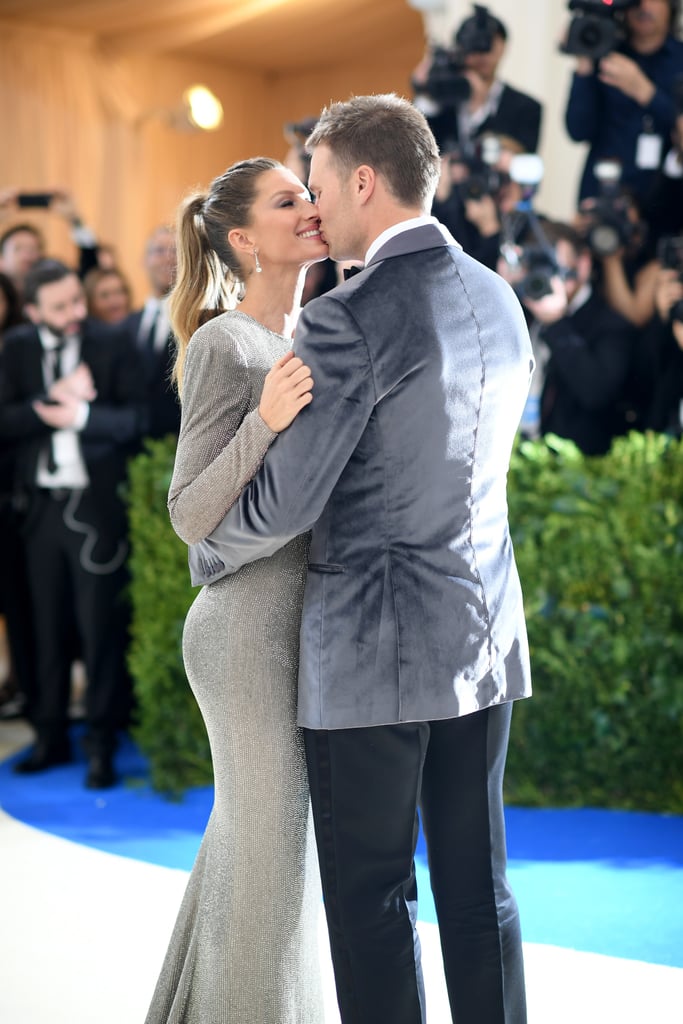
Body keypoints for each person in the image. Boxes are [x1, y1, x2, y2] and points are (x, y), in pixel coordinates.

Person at [188, 94, 533, 1024]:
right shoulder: (498, 294)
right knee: (479, 892)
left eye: (321, 184)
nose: (316, 207)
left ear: (364, 181)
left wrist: (209, 546)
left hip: (370, 657)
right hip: (485, 635)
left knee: (373, 903)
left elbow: (287, 501)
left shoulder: (350, 317)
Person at [143, 158, 327, 1023]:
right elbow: (188, 512)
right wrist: (268, 420)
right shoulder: (227, 342)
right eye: (289, 200)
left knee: (251, 854)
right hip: (244, 629)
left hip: (293, 624)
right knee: (270, 859)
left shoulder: (307, 334)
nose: (311, 206)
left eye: (309, 193)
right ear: (246, 239)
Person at [0, 259, 147, 788]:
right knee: (44, 630)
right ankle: (49, 737)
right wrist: (51, 403)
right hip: (39, 514)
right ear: (34, 309)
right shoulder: (15, 349)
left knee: (99, 629)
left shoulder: (110, 343)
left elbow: (139, 421)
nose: (75, 314)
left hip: (96, 511)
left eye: (76, 302)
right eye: (60, 307)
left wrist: (82, 416)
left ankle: (101, 746)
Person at [500, 219, 636, 454]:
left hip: (572, 469)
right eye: (536, 264)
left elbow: (597, 394)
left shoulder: (611, 326)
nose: (544, 275)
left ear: (582, 265)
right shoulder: (520, 306)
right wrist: (501, 289)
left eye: (551, 264)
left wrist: (556, 323)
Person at [564, 0, 683, 211]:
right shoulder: (604, 52)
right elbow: (578, 130)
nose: (644, 6)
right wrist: (584, 59)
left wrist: (646, 92)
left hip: (665, 200)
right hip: (602, 194)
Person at [412, 5, 542, 158]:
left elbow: (523, 165)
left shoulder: (527, 108)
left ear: (502, 46)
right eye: (473, 45)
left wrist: (479, 107)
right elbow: (416, 148)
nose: (480, 55)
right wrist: (426, 88)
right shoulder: (444, 100)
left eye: (487, 45)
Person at [124, 226, 182, 440]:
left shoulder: (198, 323)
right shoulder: (125, 325)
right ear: (144, 260)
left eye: (175, 251)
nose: (168, 259)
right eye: (159, 251)